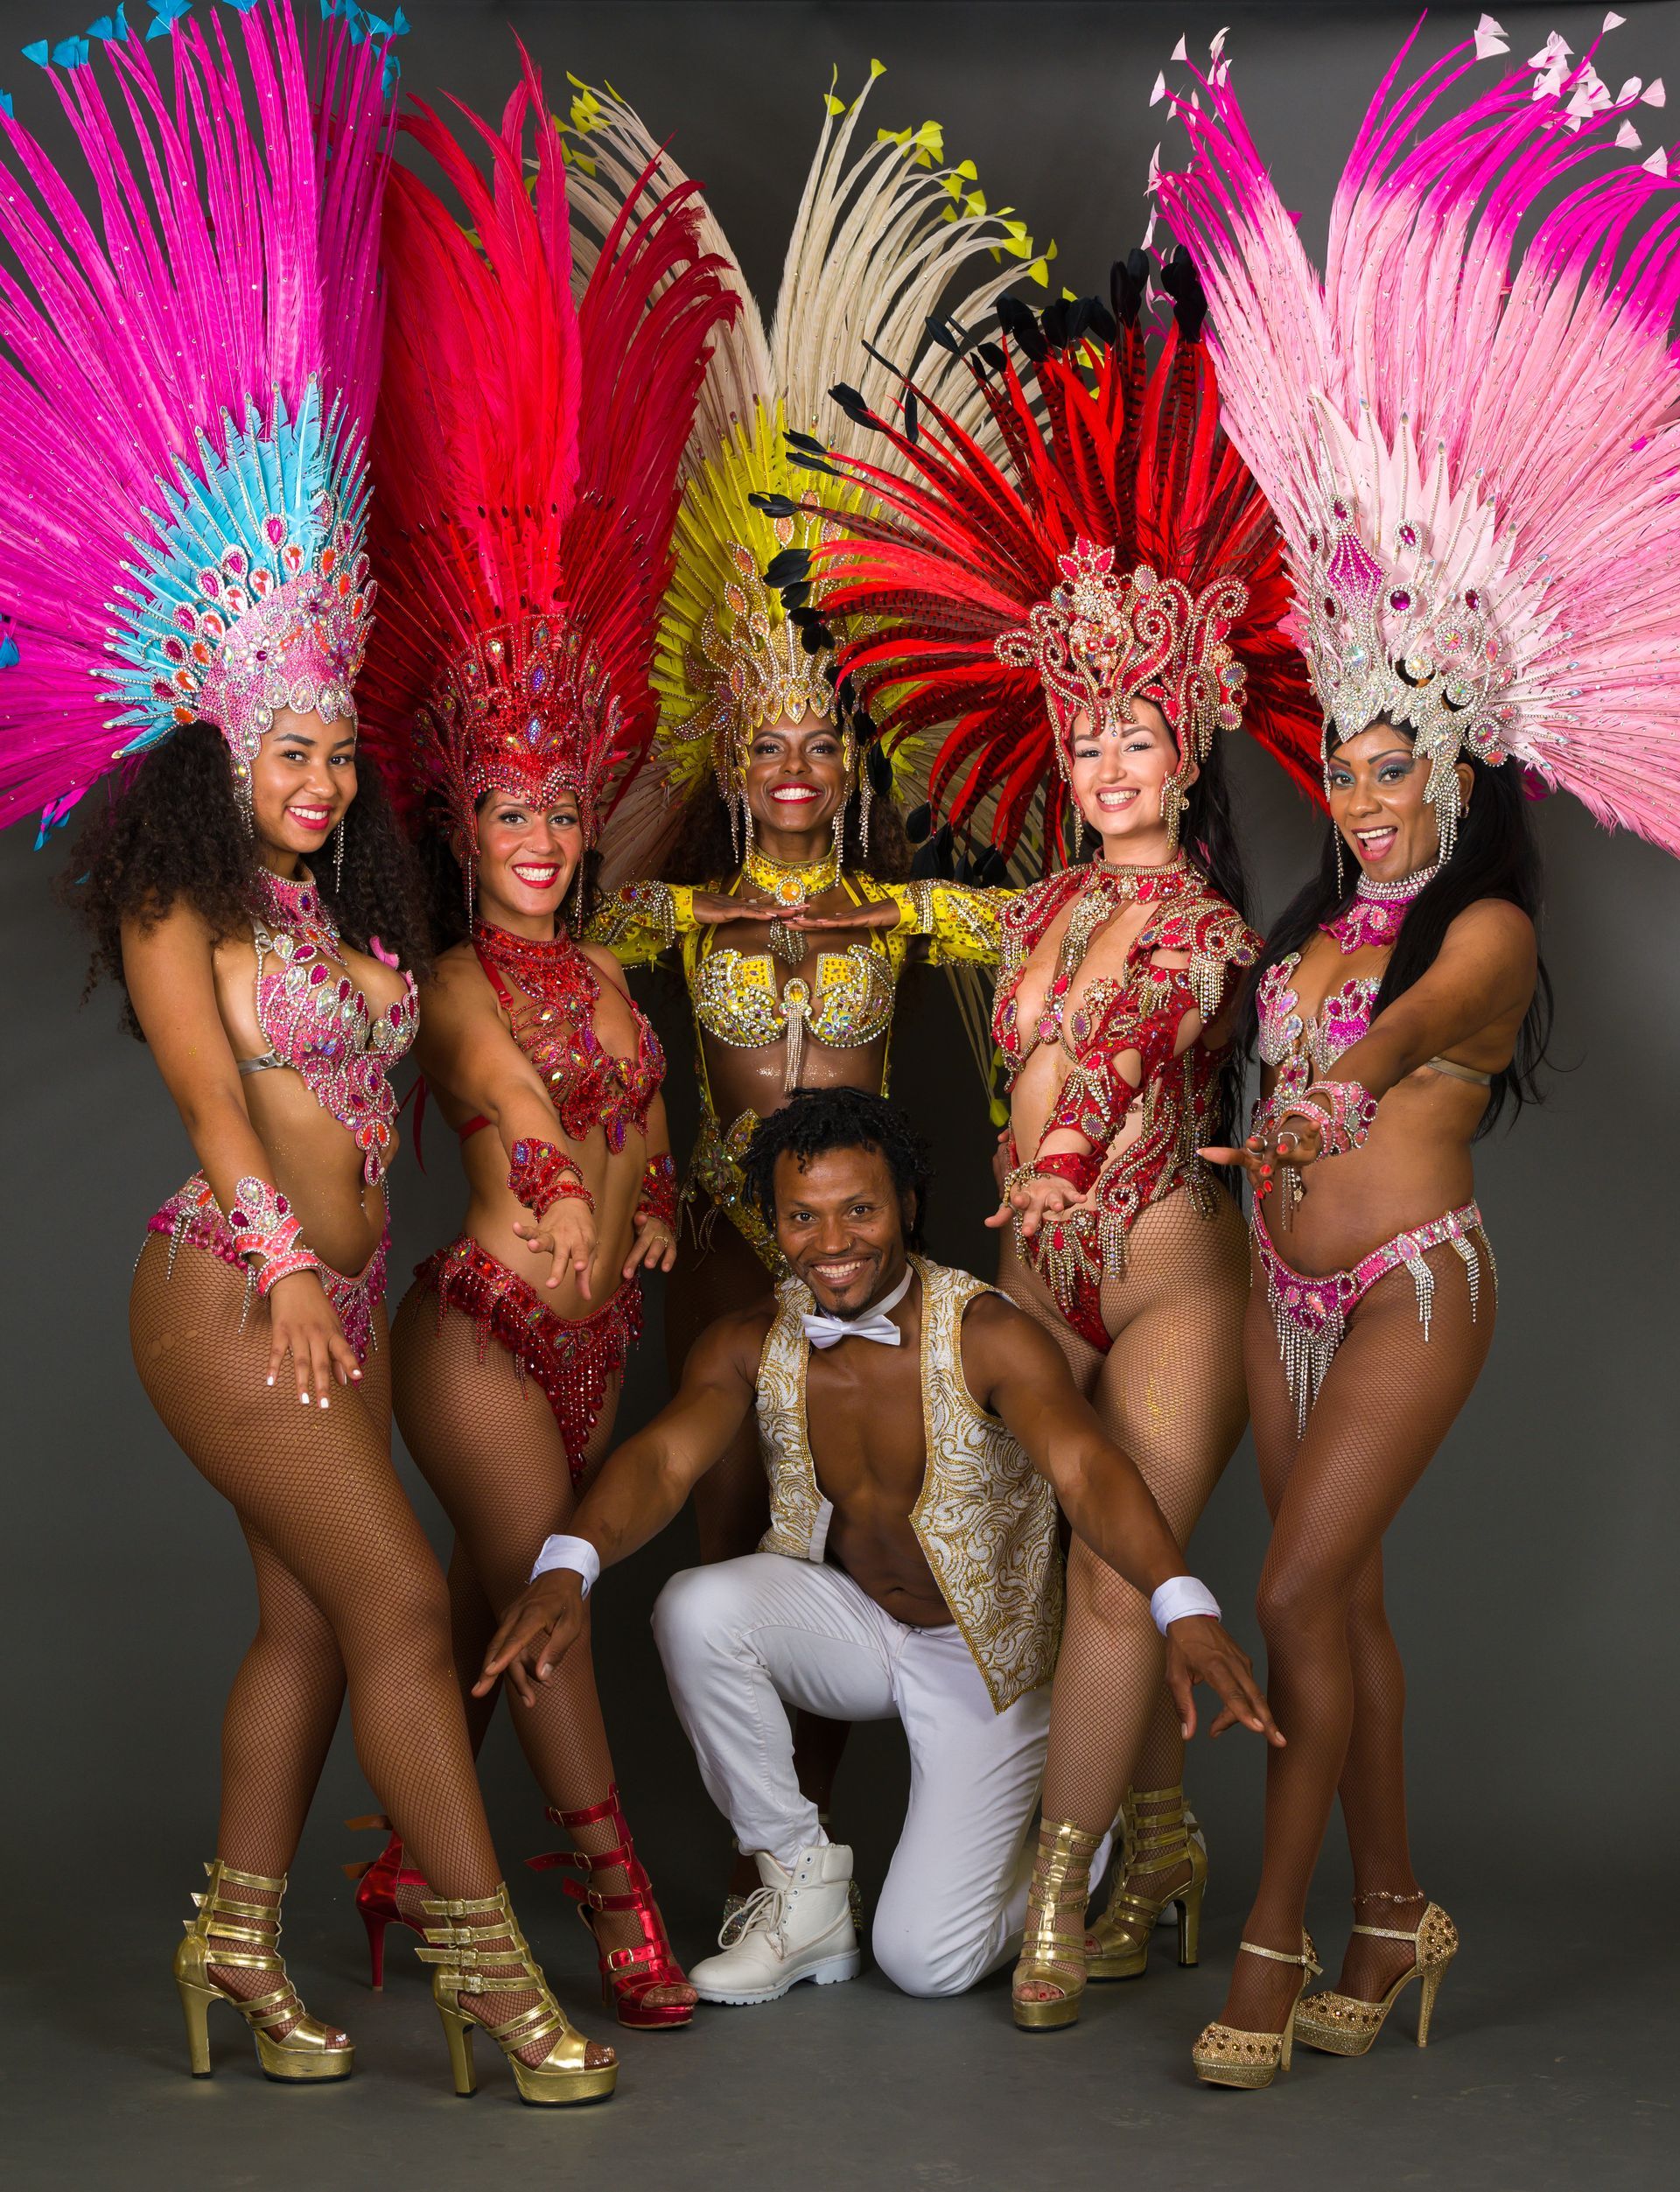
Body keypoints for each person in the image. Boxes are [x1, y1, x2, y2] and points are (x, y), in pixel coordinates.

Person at [0, 4, 614, 2103]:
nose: (324, 768)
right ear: (216, 741)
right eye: (292, 741)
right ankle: (487, 1967)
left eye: (339, 744)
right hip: (229, 1281)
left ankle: (234, 1949)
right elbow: (201, 1087)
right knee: (398, 1598)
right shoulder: (173, 896)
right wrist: (276, 1259)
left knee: (297, 1625)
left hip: (328, 1297)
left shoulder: (344, 910)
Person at [1155, 14, 1680, 2085]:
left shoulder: (1478, 930)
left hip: (1402, 1286)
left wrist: (1343, 1083)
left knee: (1292, 1584)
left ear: (1463, 773)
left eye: (1403, 768)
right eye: (1350, 765)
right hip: (1278, 1280)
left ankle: (1277, 1946)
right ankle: (1397, 1905)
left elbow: (1440, 1025)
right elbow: (1289, 1031)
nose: (1368, 796)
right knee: (1342, 1609)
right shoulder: (1317, 915)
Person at [794, 258, 1321, 2024]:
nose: (1108, 760)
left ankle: (1056, 1890)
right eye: (1086, 734)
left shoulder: (1216, 939)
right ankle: (1151, 1837)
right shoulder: (1020, 921)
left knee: (1117, 1570)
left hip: (1162, 1274)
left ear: (1188, 752)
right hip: (1031, 1291)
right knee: (1013, 1561)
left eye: (1140, 735)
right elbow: (843, 915)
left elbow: (1162, 1065)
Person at [564, 69, 1031, 1911]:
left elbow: (1047, 916)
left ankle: (902, 1800)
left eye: (810, 739)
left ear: (850, 755)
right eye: (758, 740)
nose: (786, 764)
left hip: (873, 1243)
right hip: (723, 1235)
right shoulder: (677, 919)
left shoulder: (903, 905)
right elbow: (572, 935)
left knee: (873, 1509)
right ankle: (792, 1849)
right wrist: (670, 750)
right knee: (730, 1508)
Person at [346, 59, 733, 2030]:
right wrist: (572, 1174)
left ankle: (410, 1865)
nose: (538, 834)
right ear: (457, 825)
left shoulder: (611, 948)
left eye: (557, 810)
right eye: (504, 811)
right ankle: (617, 1913)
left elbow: (641, 1111)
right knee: (567, 1605)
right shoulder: (454, 979)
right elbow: (501, 1093)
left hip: (606, 1332)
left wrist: (655, 1204)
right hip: (489, 1327)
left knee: (530, 1599)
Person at [477, 1089, 1282, 2006]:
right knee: (695, 1609)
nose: (832, 1243)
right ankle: (803, 1889)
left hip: (987, 1661)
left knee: (924, 1962)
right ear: (774, 1222)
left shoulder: (986, 1333)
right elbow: (663, 1460)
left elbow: (1088, 1471)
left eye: (858, 1210)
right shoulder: (754, 1337)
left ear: (905, 1205)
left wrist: (1183, 1603)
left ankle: (1086, 1842)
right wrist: (563, 1571)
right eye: (803, 1218)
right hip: (860, 1628)